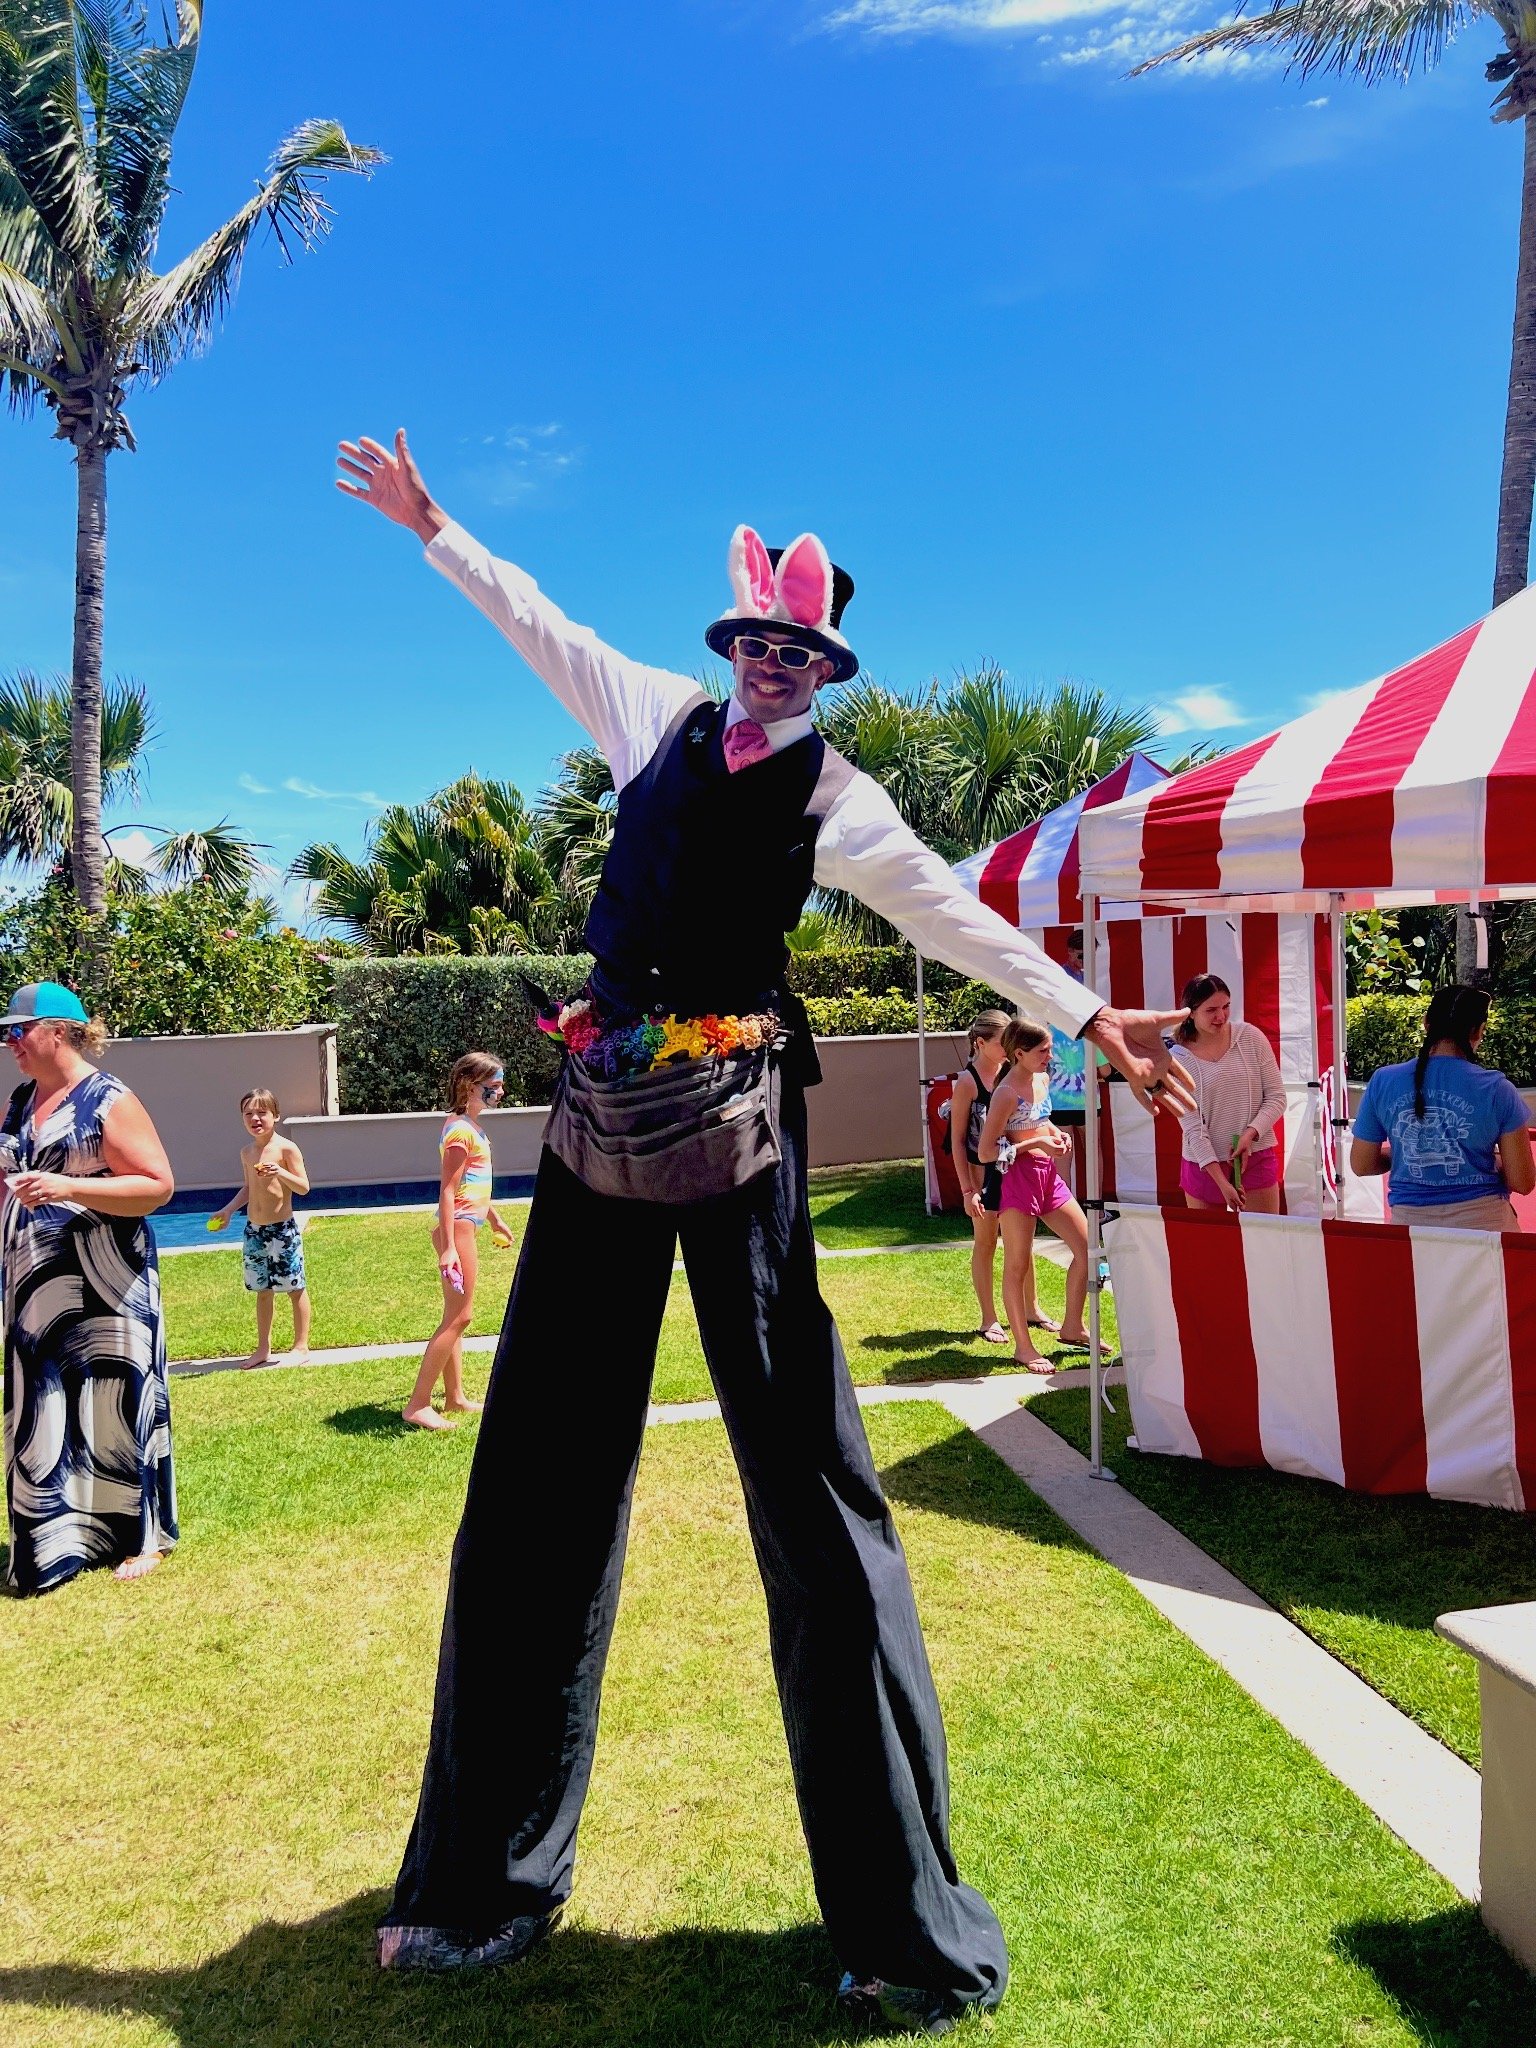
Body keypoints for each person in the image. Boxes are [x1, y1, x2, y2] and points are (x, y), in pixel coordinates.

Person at [337, 428, 1193, 2034]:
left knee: (812, 1491)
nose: (779, 666)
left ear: (826, 667)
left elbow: (958, 914)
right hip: (601, 1118)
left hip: (742, 1133)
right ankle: (479, 1885)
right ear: (733, 645)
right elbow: (541, 622)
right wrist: (436, 526)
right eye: (761, 643)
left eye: (805, 651)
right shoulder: (651, 717)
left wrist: (1087, 1018)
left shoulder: (846, 797)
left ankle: (896, 1923)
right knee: (533, 1481)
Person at [0, 981, 177, 1595]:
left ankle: (141, 1538)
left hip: (107, 1283)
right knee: (42, 1403)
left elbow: (157, 1186)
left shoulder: (107, 1099)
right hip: (34, 1289)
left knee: (118, 1403)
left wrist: (70, 1189)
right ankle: (56, 1541)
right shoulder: (22, 1100)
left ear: (56, 1029)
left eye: (17, 1031)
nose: (10, 1043)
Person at [1351, 984, 1534, 1228]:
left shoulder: (1383, 1081)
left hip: (1410, 1227)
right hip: (1485, 1227)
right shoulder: (1497, 1088)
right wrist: (1490, 1161)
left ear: (1426, 1023)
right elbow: (1522, 1181)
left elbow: (1362, 1164)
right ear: (1479, 1031)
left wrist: (1409, 1152)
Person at [404, 1052, 517, 1432]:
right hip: (459, 1230)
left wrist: (495, 1217)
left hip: (469, 1223)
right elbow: (448, 1191)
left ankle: (454, 1396)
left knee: (454, 1314)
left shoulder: (468, 1125)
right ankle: (418, 1405)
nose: (501, 1091)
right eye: (494, 1085)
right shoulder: (460, 1132)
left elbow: (473, 1185)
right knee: (460, 1316)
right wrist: (450, 1246)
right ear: (471, 1086)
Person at [977, 1018, 1091, 1374]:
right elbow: (985, 1152)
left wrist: (1056, 1135)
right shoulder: (1006, 1092)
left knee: (1088, 1248)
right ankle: (1023, 1348)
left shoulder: (1042, 1080)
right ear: (1019, 1053)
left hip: (1047, 1177)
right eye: (1042, 1051)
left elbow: (1041, 1121)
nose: (1049, 1056)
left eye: (1050, 1050)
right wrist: (1037, 1143)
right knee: (1017, 1264)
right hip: (1018, 1181)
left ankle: (1073, 1327)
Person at [208, 1088, 313, 1367]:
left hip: (282, 1230)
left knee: (294, 1287)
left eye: (261, 1112)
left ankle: (301, 1346)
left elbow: (303, 1187)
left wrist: (280, 1171)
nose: (255, 1118)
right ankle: (262, 1348)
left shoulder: (286, 1149)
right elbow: (248, 1187)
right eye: (248, 1113)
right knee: (262, 1289)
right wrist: (228, 1210)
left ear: (275, 1116)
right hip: (255, 1230)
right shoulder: (247, 1152)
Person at [1169, 973, 1287, 1215]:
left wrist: (1250, 1134)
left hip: (1255, 1154)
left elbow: (1277, 1097)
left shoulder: (1250, 1037)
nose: (1221, 1016)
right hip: (1204, 1164)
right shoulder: (1178, 1057)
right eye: (1211, 1010)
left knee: (1262, 1240)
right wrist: (1222, 1183)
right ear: (1190, 1013)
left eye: (1226, 1007)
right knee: (1209, 1247)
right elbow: (1192, 1128)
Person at [947, 1010, 1017, 1343]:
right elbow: (957, 1141)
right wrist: (967, 1190)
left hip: (1012, 1168)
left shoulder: (1011, 1074)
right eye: (1003, 1041)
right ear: (980, 1043)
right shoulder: (967, 1082)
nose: (1009, 1047)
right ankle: (988, 1317)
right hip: (981, 1172)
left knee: (1020, 1241)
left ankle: (1030, 1309)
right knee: (986, 1242)